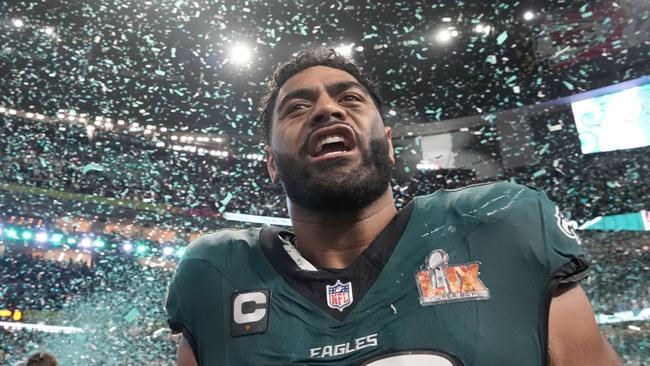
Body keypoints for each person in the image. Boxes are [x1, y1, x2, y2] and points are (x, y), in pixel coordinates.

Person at [165, 48, 622, 365]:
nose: (327, 110)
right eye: (297, 107)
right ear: (271, 164)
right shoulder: (214, 275)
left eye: (350, 98)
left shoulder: (500, 224)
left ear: (387, 144)